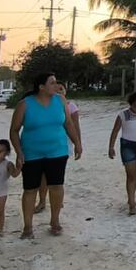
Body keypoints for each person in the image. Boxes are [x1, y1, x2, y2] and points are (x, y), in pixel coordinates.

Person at [10, 73, 82, 239]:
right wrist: (19, 151)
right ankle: (28, 226)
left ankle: (55, 221)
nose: (56, 86)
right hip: (31, 153)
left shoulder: (60, 101)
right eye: (52, 83)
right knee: (30, 189)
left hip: (57, 151)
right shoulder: (25, 104)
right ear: (41, 87)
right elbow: (14, 131)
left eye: (56, 82)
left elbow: (68, 123)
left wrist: (77, 143)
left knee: (56, 187)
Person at [36, 84, 82, 215]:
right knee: (43, 175)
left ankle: (57, 199)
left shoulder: (71, 106)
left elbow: (74, 125)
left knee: (57, 175)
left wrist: (78, 142)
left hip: (64, 144)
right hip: (47, 144)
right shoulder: (46, 105)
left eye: (62, 88)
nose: (59, 91)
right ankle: (42, 201)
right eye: (57, 89)